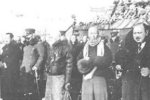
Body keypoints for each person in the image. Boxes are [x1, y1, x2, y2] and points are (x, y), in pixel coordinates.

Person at [116, 23, 150, 100]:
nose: (137, 36)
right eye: (134, 33)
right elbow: (119, 57)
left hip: (147, 88)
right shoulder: (129, 46)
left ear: (146, 33)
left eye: (139, 33)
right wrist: (119, 65)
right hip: (132, 88)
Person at [77, 26, 112, 100]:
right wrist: (83, 62)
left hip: (99, 78)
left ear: (98, 34)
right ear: (88, 35)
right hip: (86, 78)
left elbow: (108, 60)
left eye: (94, 33)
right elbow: (79, 60)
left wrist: (92, 60)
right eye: (91, 33)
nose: (93, 35)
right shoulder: (85, 47)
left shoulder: (104, 47)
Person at [44, 30, 73, 100]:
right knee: (49, 97)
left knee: (58, 97)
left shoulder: (65, 47)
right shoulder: (50, 46)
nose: (51, 38)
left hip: (59, 78)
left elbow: (69, 65)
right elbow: (47, 62)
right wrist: (46, 72)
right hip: (50, 77)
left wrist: (67, 81)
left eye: (54, 36)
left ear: (58, 37)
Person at [20, 28, 45, 100]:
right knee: (25, 89)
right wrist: (22, 66)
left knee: (33, 90)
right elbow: (24, 57)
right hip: (25, 69)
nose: (28, 36)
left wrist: (36, 66)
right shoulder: (25, 45)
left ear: (33, 35)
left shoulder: (38, 44)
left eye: (29, 35)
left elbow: (41, 56)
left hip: (33, 70)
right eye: (27, 35)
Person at [0, 33, 22, 100]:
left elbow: (15, 57)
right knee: (5, 85)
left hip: (12, 70)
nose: (6, 39)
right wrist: (2, 62)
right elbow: (2, 56)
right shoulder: (4, 47)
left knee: (12, 86)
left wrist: (6, 63)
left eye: (7, 38)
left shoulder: (16, 47)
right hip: (5, 70)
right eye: (5, 38)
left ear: (12, 38)